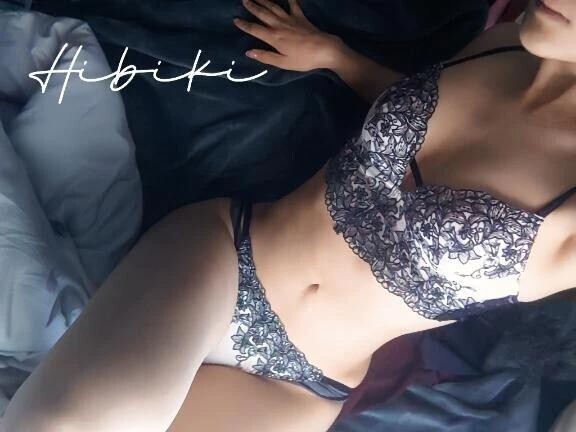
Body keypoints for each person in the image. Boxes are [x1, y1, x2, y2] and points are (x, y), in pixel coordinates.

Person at [3, 0, 576, 431]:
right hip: (227, 255)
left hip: (302, 383)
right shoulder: (506, 41)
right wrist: (335, 57)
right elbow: (432, 101)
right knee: (56, 427)